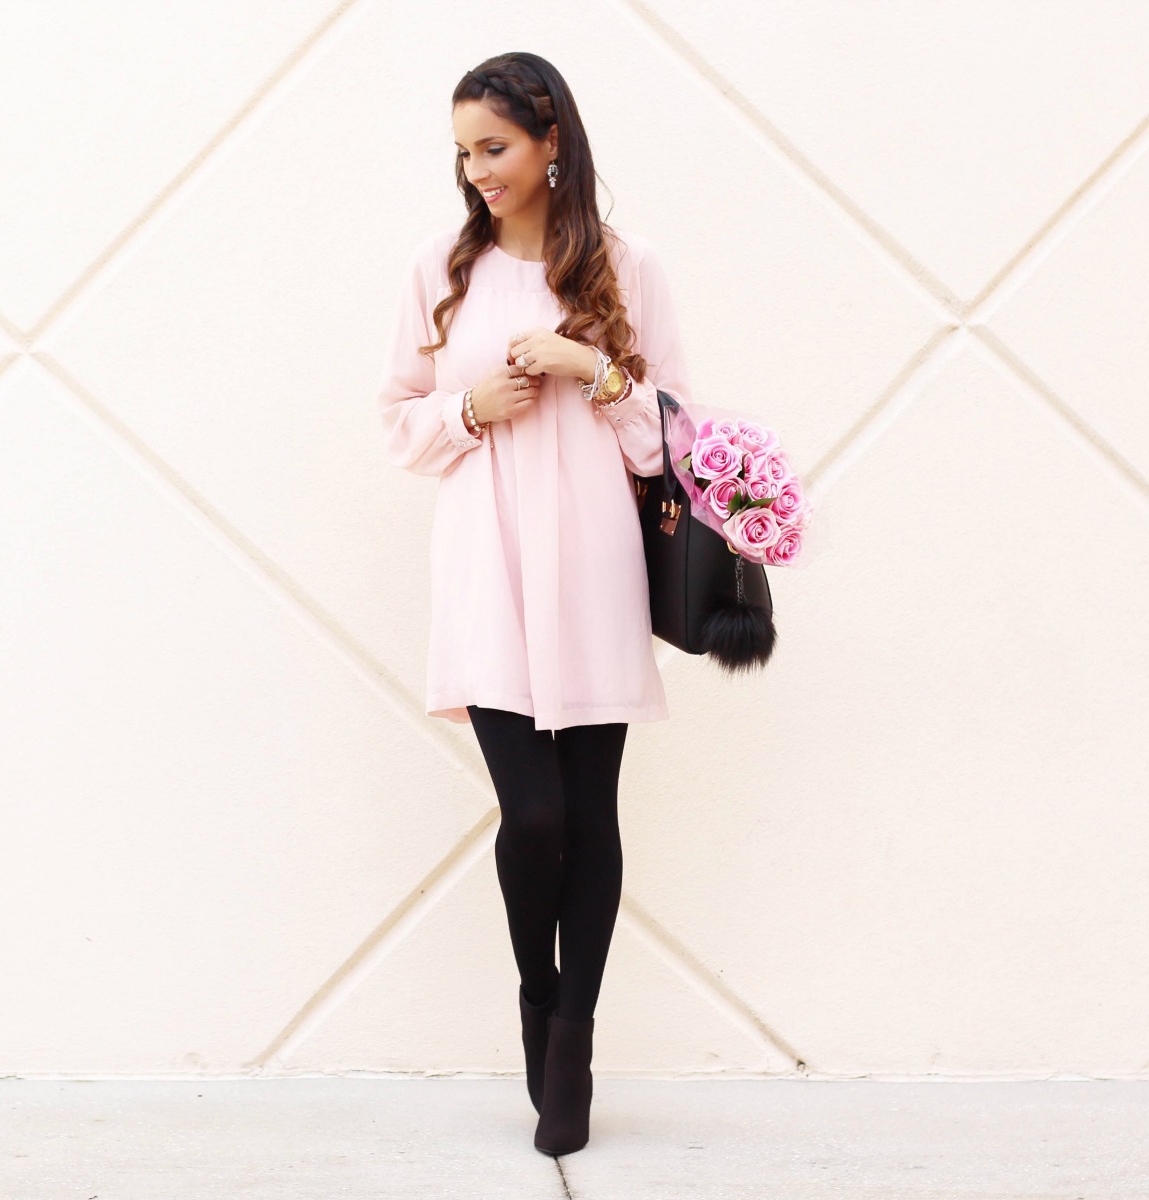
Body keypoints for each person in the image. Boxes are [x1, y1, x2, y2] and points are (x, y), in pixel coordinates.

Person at [376, 51, 692, 1157]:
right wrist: (471, 405)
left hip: (596, 559)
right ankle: (537, 996)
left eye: (494, 148)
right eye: (464, 153)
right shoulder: (439, 267)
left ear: (552, 139)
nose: (477, 172)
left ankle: (575, 1044)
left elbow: (670, 437)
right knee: (535, 814)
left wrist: (586, 365)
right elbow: (399, 422)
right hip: (485, 563)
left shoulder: (625, 264)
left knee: (591, 813)